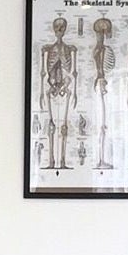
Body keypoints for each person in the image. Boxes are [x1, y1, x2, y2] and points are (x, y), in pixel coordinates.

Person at [40, 18, 78, 169]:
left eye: (62, 27)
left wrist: (74, 92)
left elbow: (73, 73)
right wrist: (42, 93)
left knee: (63, 124)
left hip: (65, 89)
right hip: (51, 87)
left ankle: (62, 162)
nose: (60, 29)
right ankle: (51, 162)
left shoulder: (70, 49)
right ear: (54, 29)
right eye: (57, 27)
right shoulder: (49, 49)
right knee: (51, 124)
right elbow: (44, 73)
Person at [92, 17, 116, 169]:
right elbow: (100, 69)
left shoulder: (99, 49)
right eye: (104, 30)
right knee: (102, 124)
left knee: (103, 124)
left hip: (102, 83)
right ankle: (101, 160)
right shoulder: (100, 50)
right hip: (102, 83)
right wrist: (102, 79)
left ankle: (102, 159)